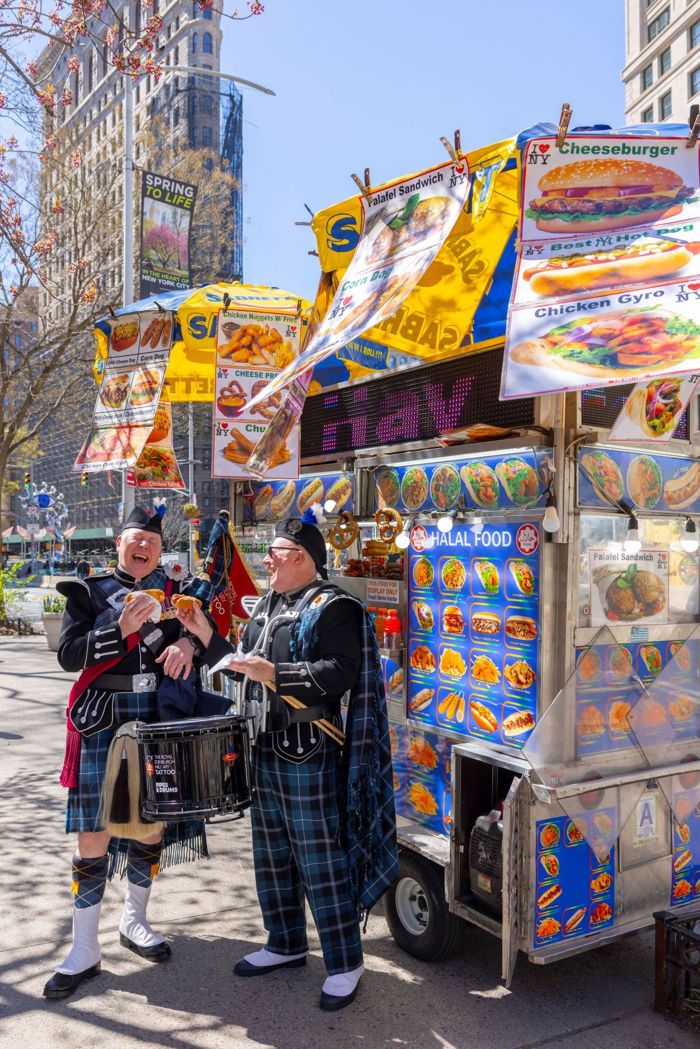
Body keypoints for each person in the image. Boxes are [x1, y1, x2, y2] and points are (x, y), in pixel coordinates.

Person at [175, 513, 398, 1012]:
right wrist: (204, 633)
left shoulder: (336, 606)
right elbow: (239, 662)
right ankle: (285, 943)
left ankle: (345, 962)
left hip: (312, 748)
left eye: (273, 554)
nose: (266, 563)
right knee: (272, 854)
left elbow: (340, 673)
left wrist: (276, 673)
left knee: (320, 861)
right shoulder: (272, 604)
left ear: (299, 556)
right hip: (265, 746)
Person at [43, 505, 214, 1001]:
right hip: (102, 716)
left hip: (157, 714)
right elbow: (68, 656)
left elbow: (201, 641)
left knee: (152, 821)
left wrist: (190, 649)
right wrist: (118, 626)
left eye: (153, 543)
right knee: (92, 831)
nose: (144, 549)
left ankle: (135, 921)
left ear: (162, 550)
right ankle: (83, 948)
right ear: (119, 542)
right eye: (136, 539)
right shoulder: (90, 593)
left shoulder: (179, 598)